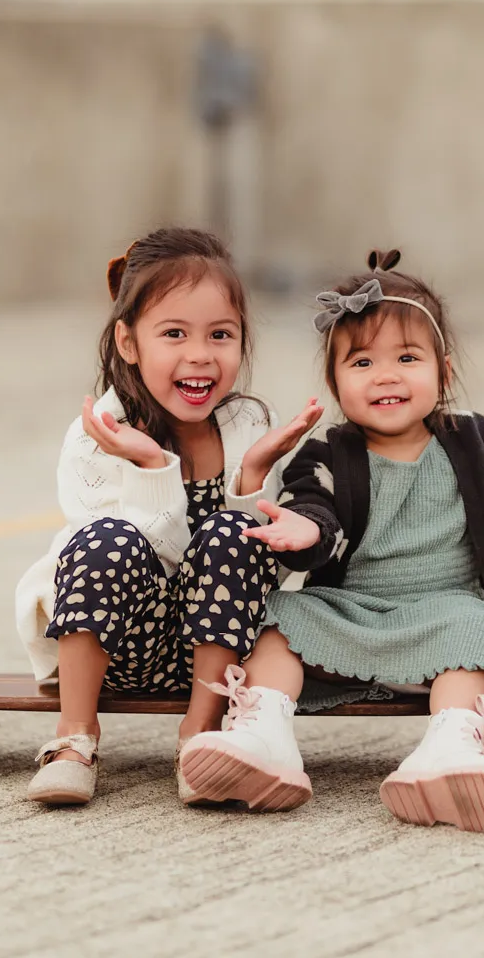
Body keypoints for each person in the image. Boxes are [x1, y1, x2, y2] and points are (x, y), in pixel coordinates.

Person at [179, 249, 484, 831]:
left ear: (442, 372)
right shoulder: (327, 455)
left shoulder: (476, 444)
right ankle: (262, 741)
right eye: (362, 362)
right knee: (280, 619)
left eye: (407, 358)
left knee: (476, 630)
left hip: (442, 614)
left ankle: (452, 751)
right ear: (336, 382)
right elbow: (313, 507)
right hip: (352, 612)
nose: (386, 375)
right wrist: (306, 528)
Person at [16, 227, 322, 807]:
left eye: (221, 335)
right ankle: (74, 739)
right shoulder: (99, 437)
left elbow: (259, 573)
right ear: (128, 342)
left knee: (236, 532)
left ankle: (199, 737)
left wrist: (252, 477)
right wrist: (153, 467)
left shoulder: (249, 425)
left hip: (216, 656)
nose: (200, 355)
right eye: (174, 334)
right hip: (116, 645)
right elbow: (112, 559)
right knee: (104, 539)